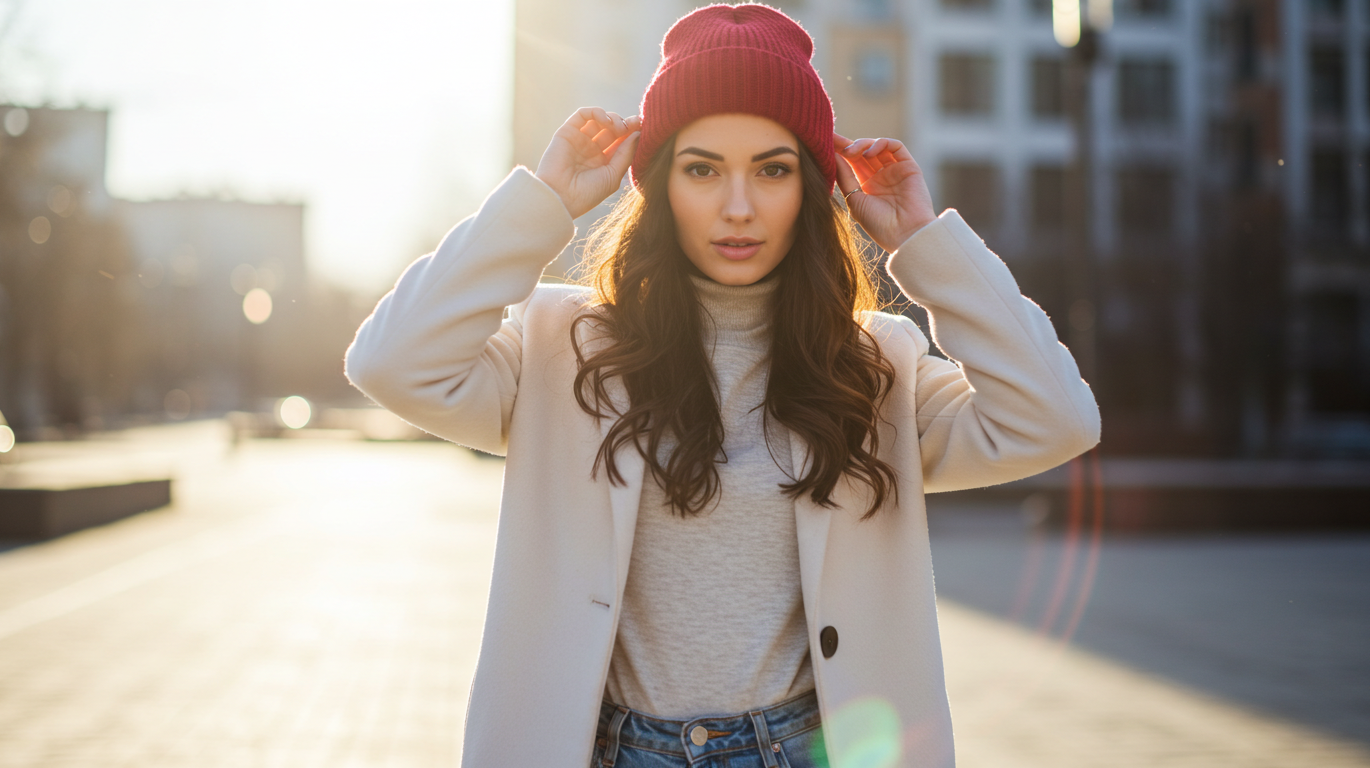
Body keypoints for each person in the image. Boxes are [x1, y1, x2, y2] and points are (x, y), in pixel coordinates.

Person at [345, 5, 1100, 768]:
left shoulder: (875, 371)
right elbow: (392, 362)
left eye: (772, 169)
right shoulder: (562, 351)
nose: (738, 206)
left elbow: (1057, 418)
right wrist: (544, 203)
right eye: (702, 168)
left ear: (810, 186)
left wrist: (923, 242)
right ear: (660, 182)